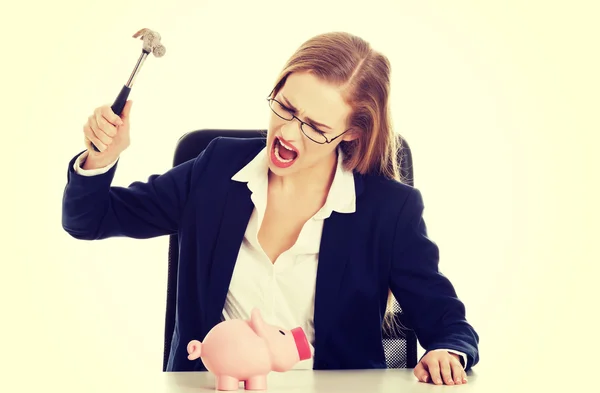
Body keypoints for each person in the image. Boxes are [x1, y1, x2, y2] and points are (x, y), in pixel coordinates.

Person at [62, 31, 479, 386]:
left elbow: (446, 322)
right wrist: (100, 158)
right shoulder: (215, 170)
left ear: (350, 134)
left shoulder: (389, 209)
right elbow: (89, 219)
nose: (289, 134)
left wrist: (448, 351)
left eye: (316, 127)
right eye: (285, 108)